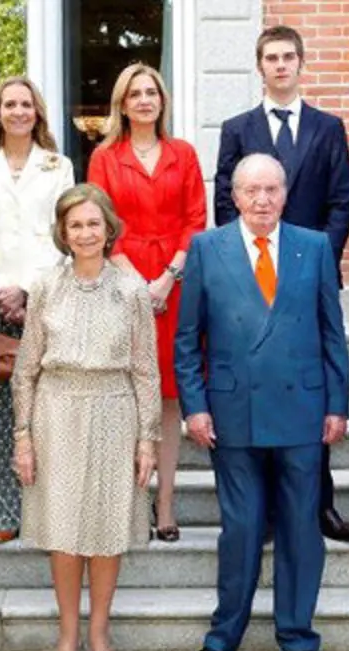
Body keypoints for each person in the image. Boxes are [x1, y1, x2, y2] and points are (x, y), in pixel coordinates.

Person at [176, 154, 349, 651]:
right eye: (251, 190)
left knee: (300, 527)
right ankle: (224, 636)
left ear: (286, 192)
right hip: (233, 413)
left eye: (271, 189)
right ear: (233, 194)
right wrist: (196, 405)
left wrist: (338, 404)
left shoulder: (314, 246)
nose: (262, 200)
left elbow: (331, 332)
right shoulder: (207, 248)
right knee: (242, 528)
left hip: (302, 408)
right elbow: (187, 341)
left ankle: (299, 638)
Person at [213, 25, 349, 542]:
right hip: (252, 283)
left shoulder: (328, 127)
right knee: (264, 395)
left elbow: (343, 199)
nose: (280, 65)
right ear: (260, 67)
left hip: (309, 279)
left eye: (288, 57)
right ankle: (269, 513)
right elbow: (223, 205)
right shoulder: (237, 128)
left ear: (301, 64)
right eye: (271, 58)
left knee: (311, 385)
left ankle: (320, 507)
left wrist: (319, 261)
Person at [11, 184, 160, 651]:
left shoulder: (132, 289)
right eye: (75, 225)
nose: (85, 232)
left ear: (109, 228)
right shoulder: (46, 288)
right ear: (63, 232)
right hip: (57, 410)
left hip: (115, 409)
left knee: (107, 525)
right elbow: (26, 367)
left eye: (93, 223)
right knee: (64, 529)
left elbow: (145, 370)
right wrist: (23, 436)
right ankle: (67, 633)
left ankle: (99, 631)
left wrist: (148, 439)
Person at [87, 63, 206, 542]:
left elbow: (196, 219)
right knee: (128, 394)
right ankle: (129, 500)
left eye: (150, 92)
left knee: (170, 397)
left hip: (177, 282)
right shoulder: (105, 157)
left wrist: (168, 277)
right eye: (134, 93)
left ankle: (165, 503)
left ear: (162, 101)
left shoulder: (184, 153)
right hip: (120, 280)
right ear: (122, 102)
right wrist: (138, 281)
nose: (143, 100)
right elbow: (99, 219)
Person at [0, 76, 75, 543]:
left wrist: (28, 291)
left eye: (26, 104)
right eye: (9, 104)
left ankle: (45, 510)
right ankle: (0, 514)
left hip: (43, 300)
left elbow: (65, 234)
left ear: (38, 112)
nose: (18, 112)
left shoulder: (58, 165)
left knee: (46, 410)